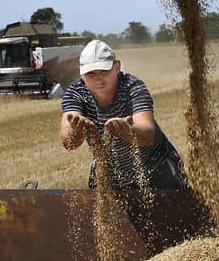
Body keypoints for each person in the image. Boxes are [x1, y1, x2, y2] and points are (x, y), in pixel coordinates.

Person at [60, 40, 186, 190]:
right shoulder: (75, 93)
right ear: (81, 72)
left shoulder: (132, 87)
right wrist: (78, 131)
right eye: (91, 74)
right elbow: (68, 142)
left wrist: (128, 132)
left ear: (117, 67)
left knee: (178, 211)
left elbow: (147, 135)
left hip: (156, 167)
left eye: (104, 72)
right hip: (110, 174)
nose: (98, 79)